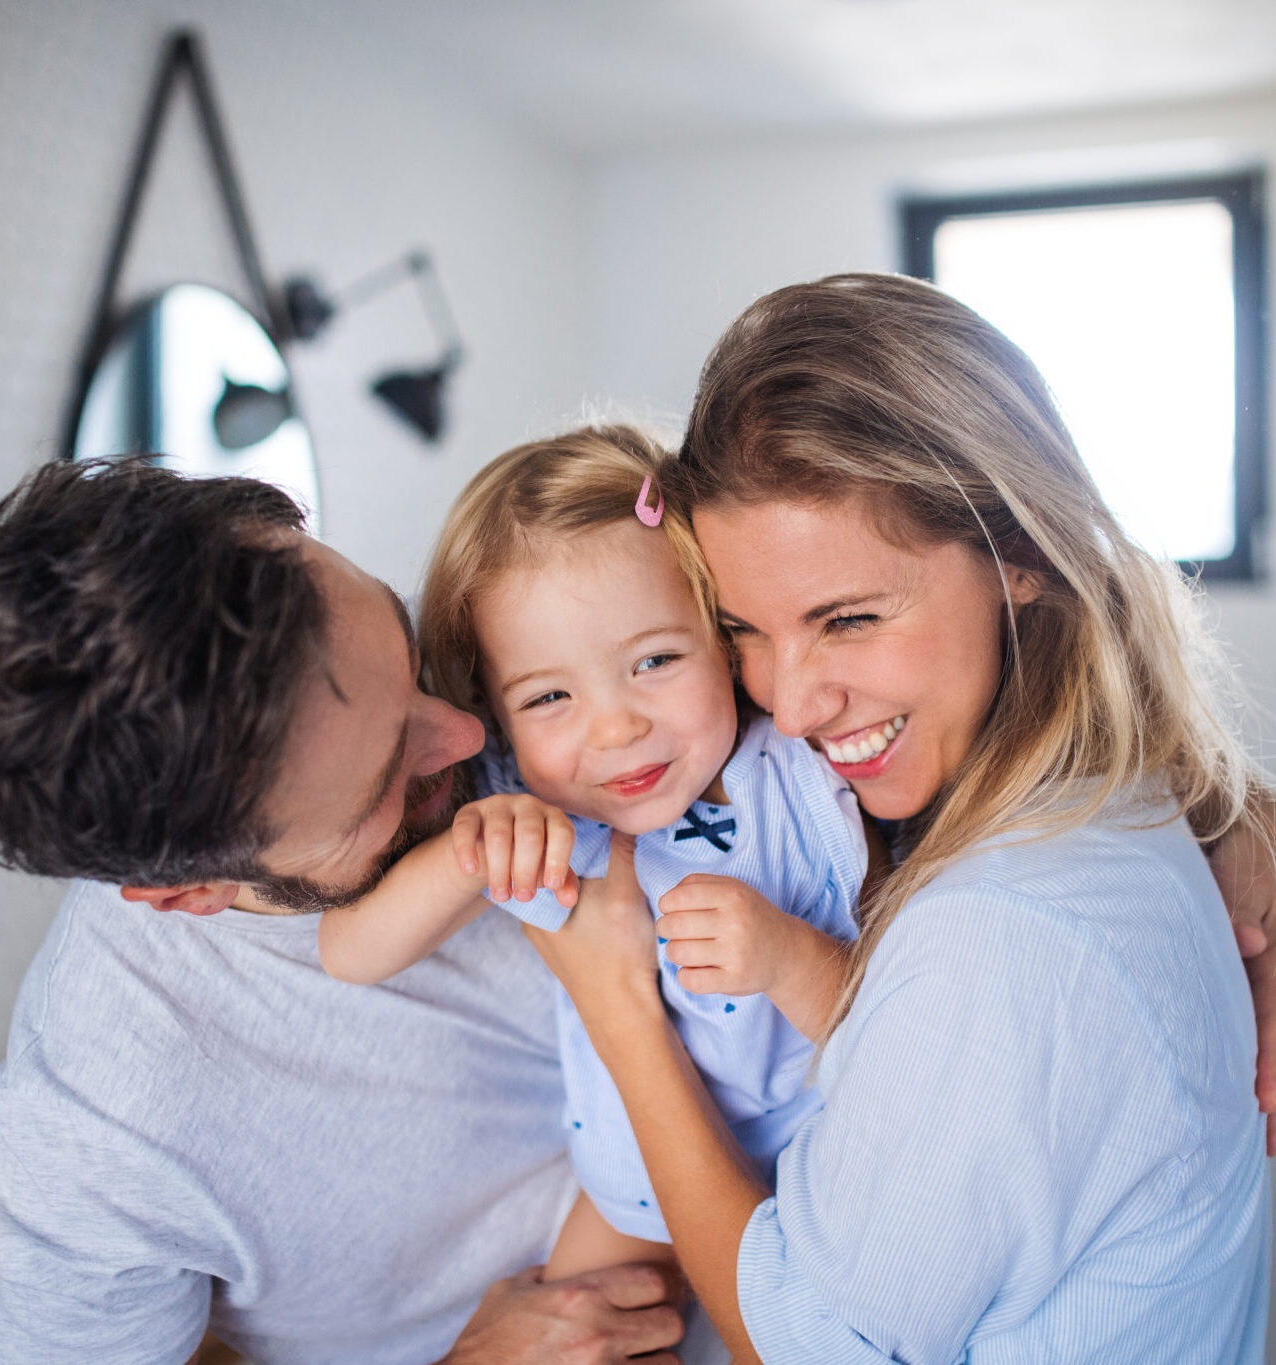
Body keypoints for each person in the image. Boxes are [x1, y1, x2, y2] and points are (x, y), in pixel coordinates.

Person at [521, 274, 1273, 1362]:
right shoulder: (1093, 797)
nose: (789, 701)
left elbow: (810, 1340)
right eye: (745, 632)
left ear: (1022, 556)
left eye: (850, 619)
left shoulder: (999, 938)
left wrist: (618, 1009)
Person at [0, 459, 685, 1364]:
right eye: (385, 782)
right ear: (188, 893)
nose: (470, 732)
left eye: (403, 650)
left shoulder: (491, 631)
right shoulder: (105, 1121)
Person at [317, 426, 867, 1279]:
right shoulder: (538, 817)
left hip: (828, 1164)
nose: (615, 727)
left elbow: (891, 1037)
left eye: (654, 659)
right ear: (496, 714)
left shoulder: (803, 779)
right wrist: (470, 852)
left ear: (721, 636)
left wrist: (788, 956)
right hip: (635, 1189)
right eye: (548, 696)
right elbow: (348, 952)